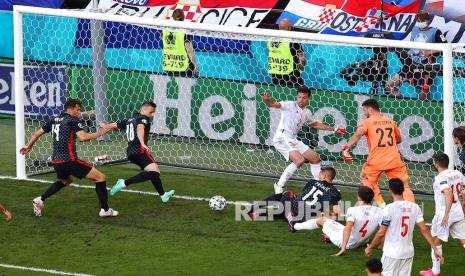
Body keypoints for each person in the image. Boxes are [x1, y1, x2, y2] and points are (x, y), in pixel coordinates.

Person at [20, 99, 118, 217]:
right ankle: (105, 210)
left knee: (66, 181)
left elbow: (36, 134)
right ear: (71, 108)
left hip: (56, 161)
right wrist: (101, 133)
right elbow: (83, 137)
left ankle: (40, 199)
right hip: (69, 160)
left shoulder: (54, 120)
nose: (79, 112)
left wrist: (28, 146)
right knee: (101, 178)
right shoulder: (72, 120)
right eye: (78, 109)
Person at [261, 86, 346, 194]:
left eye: (304, 97)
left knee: (315, 158)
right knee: (299, 160)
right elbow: (272, 104)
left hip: (292, 139)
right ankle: (279, 186)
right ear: (296, 97)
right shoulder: (289, 104)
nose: (301, 100)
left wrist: (334, 129)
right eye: (299, 97)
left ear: (308, 99)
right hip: (281, 137)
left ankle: (319, 185)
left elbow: (314, 124)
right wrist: (267, 99)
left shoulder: (306, 112)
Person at [341, 99, 414, 205]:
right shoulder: (390, 121)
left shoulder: (367, 122)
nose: (364, 113)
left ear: (370, 109)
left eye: (364, 110)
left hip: (376, 160)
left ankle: (381, 205)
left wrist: (346, 147)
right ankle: (410, 209)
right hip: (394, 159)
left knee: (365, 178)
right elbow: (399, 139)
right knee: (404, 185)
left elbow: (357, 134)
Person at [365, 179, 444, 276]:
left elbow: (381, 233)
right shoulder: (415, 207)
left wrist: (370, 247)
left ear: (390, 190)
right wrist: (435, 249)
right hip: (408, 253)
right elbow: (424, 229)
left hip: (392, 253)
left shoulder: (389, 209)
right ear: (403, 190)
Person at [108, 101, 175, 202]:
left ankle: (163, 195)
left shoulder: (130, 120)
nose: (151, 115)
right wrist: (142, 143)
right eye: (150, 112)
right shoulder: (143, 118)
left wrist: (104, 126)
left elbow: (114, 125)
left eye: (153, 113)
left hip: (131, 152)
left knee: (153, 171)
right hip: (140, 150)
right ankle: (123, 183)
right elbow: (140, 129)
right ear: (143, 109)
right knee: (155, 173)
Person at [292, 186, 383, 256]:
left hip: (349, 243)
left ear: (359, 197)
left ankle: (295, 226)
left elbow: (348, 228)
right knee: (334, 222)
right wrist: (381, 245)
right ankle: (328, 236)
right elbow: (384, 229)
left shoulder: (353, 210)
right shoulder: (379, 211)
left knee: (322, 220)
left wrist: (343, 248)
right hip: (363, 241)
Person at [419, 153, 465, 276]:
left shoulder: (440, 177)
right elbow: (463, 189)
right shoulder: (457, 173)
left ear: (436, 164)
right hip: (458, 211)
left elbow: (448, 191)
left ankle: (435, 271)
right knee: (463, 240)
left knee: (436, 241)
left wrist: (446, 214)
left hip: (445, 214)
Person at [384, 11, 447, 100]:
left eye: (421, 20)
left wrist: (429, 52)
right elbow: (412, 46)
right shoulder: (414, 29)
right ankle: (401, 100)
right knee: (388, 86)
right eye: (418, 20)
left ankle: (424, 108)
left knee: (423, 93)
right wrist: (408, 53)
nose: (419, 22)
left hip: (425, 66)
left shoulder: (436, 32)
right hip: (411, 63)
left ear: (427, 20)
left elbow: (446, 46)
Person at [249, 167, 341, 224]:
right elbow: (335, 211)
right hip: (305, 217)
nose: (319, 176)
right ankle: (262, 215)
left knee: (287, 194)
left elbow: (305, 194)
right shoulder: (335, 193)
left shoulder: (313, 182)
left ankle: (254, 209)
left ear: (324, 176)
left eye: (320, 175)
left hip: (294, 207)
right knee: (285, 212)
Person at [268, 18, 306, 87]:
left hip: (275, 75)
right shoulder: (292, 40)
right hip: (292, 76)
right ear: (289, 28)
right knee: (299, 95)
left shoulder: (271, 40)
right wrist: (300, 69)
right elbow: (302, 59)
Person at [162, 8, 199, 77]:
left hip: (168, 66)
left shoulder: (165, 30)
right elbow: (189, 51)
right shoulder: (184, 30)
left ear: (173, 17)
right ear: (184, 18)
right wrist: (196, 66)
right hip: (184, 67)